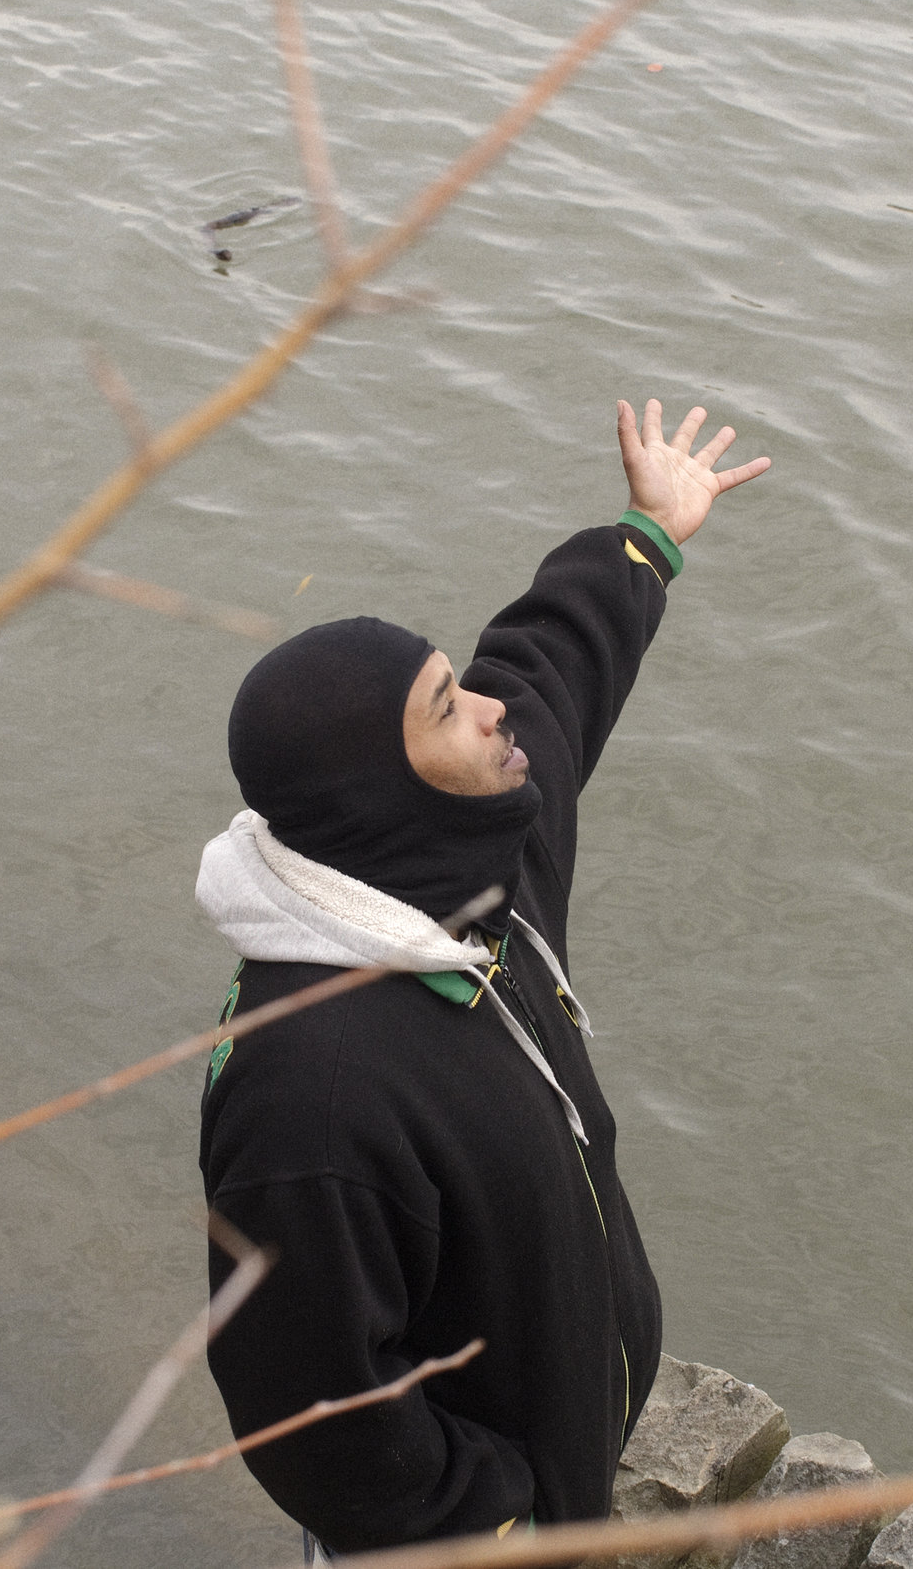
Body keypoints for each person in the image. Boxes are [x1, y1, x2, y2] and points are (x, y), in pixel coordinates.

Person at [194, 397, 770, 1555]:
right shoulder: (305, 1088)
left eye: (458, 683)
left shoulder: (474, 861)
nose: (491, 711)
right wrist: (489, 1517)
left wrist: (645, 535)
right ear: (380, 790)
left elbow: (549, 669)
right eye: (447, 708)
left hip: (554, 1466)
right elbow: (305, 1408)